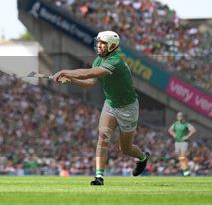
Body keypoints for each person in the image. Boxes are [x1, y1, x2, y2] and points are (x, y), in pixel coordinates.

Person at [52, 31, 149, 186]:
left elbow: (89, 73)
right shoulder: (98, 60)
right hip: (110, 104)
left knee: (125, 148)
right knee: (103, 136)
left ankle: (143, 158)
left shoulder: (115, 61)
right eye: (98, 42)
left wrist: (65, 71)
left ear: (111, 45)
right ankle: (99, 178)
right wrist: (70, 79)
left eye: (102, 43)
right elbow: (90, 82)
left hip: (128, 108)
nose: (98, 45)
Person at [168, 112, 196, 176]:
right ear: (177, 117)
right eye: (178, 116)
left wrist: (187, 136)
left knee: (182, 156)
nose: (179, 117)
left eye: (181, 116)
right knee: (180, 157)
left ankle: (186, 172)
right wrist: (174, 134)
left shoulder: (186, 124)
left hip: (184, 142)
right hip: (177, 142)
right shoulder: (175, 124)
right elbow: (170, 130)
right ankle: (186, 170)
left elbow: (193, 130)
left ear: (183, 117)